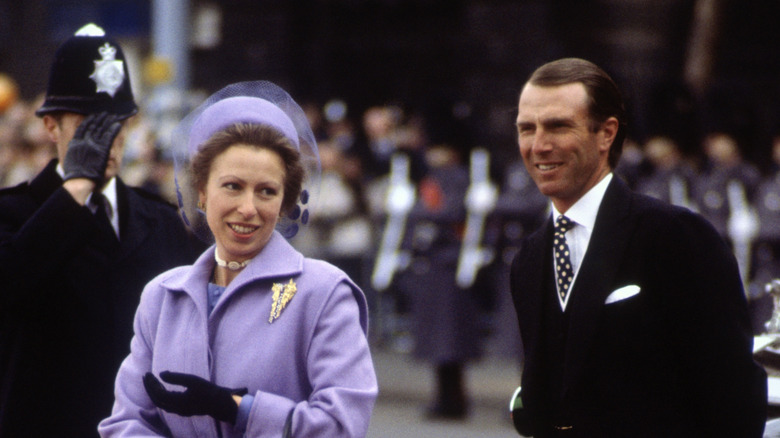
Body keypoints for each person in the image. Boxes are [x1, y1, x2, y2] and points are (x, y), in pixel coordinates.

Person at [98, 81, 377, 437]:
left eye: (266, 191)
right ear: (202, 192)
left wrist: (240, 409)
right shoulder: (163, 296)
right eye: (232, 186)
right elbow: (126, 423)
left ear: (285, 202)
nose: (248, 209)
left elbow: (342, 426)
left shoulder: (324, 293)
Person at [508, 58, 767, 437]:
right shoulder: (529, 260)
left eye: (558, 126)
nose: (539, 145)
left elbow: (733, 396)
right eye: (526, 129)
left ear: (606, 134)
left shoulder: (676, 236)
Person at [0, 23, 200, 436]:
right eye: (87, 125)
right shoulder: (14, 213)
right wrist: (75, 187)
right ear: (51, 127)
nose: (107, 141)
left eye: (116, 125)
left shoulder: (159, 221)